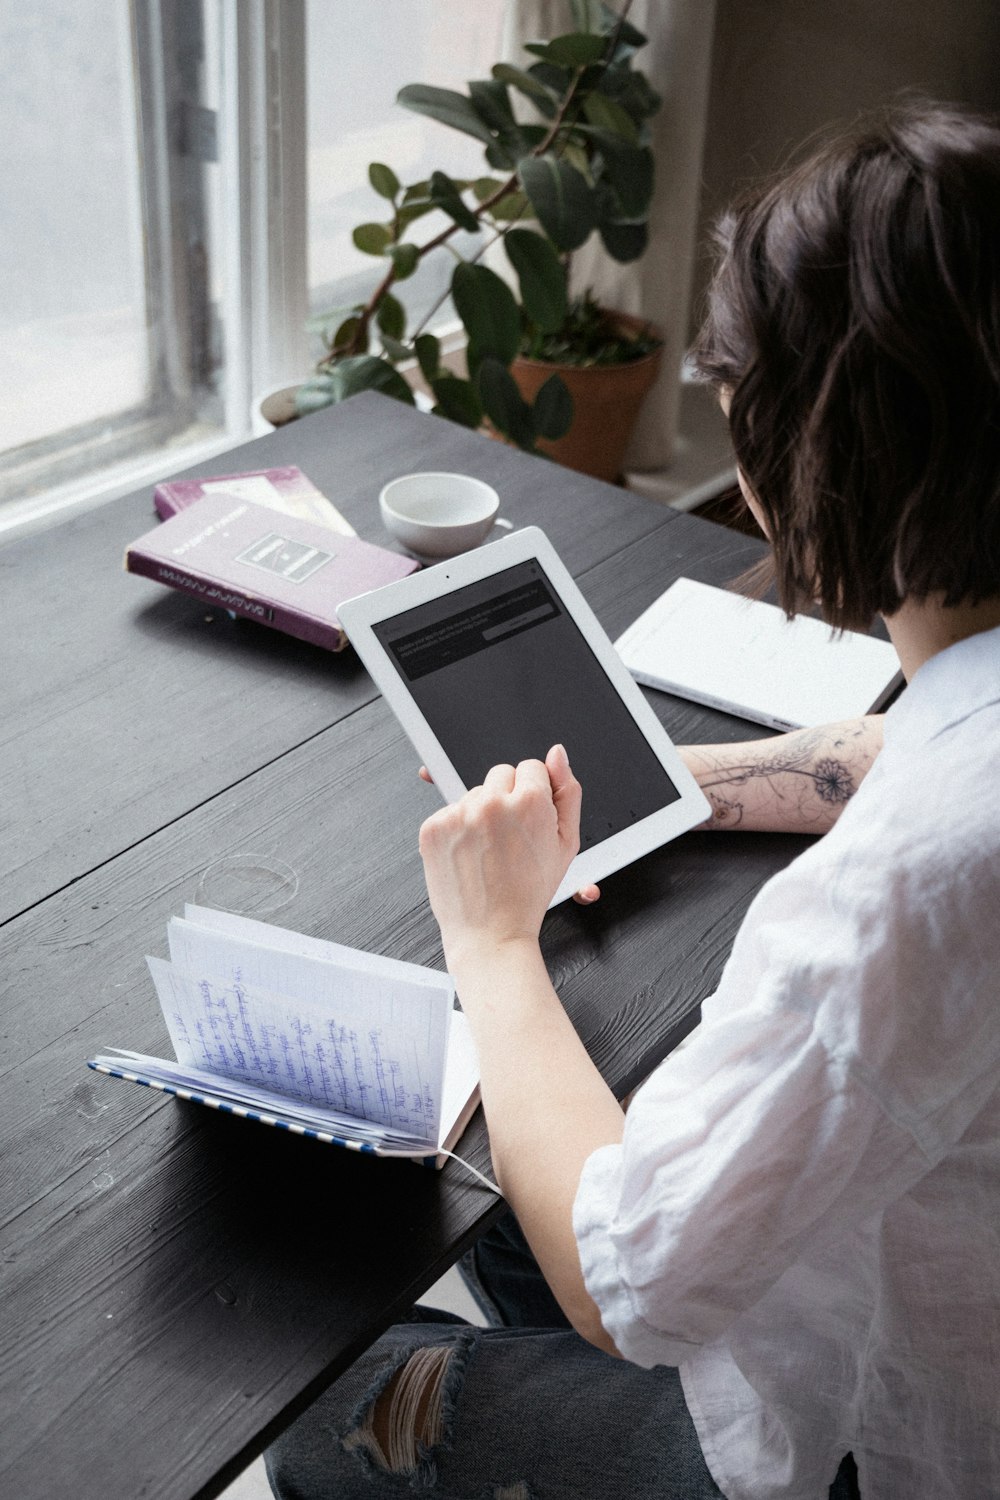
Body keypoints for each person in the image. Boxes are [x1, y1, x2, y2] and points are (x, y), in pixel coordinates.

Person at [266, 102, 1000, 1500]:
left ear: (817, 443)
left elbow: (632, 1285)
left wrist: (492, 939)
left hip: (871, 1445)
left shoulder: (907, 885)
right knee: (491, 1182)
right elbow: (889, 752)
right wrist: (664, 787)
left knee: (322, 1396)